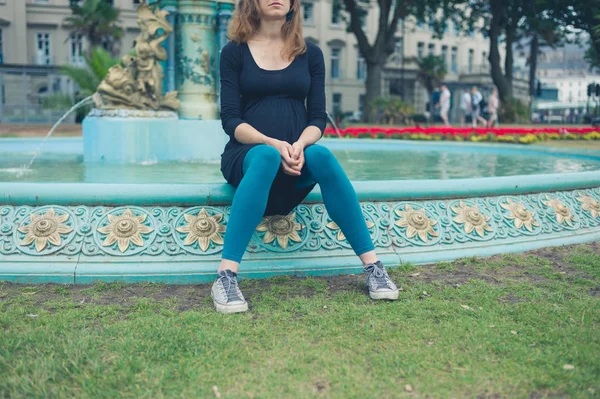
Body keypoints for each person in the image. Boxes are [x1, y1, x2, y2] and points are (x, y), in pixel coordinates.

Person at [215, 0, 399, 313]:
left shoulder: (310, 53)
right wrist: (270, 143)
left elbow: (316, 118)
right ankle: (225, 276)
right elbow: (230, 120)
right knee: (265, 158)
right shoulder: (234, 52)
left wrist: (299, 145)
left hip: (294, 161)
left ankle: (374, 268)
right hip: (248, 158)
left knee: (323, 157)